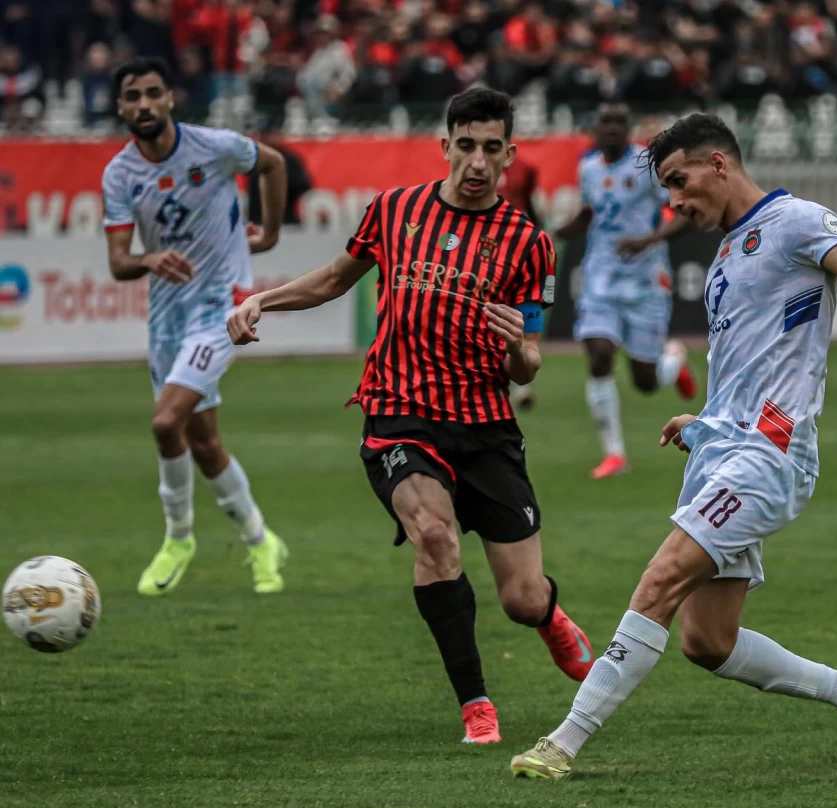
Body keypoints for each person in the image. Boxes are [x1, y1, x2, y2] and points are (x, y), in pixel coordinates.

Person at [510, 113, 837, 780]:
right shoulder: (729, 253)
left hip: (771, 454)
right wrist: (702, 419)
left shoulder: (796, 222)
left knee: (659, 580)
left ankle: (561, 744)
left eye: (679, 181)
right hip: (722, 448)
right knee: (708, 642)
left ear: (719, 165)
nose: (673, 201)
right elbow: (752, 363)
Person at [227, 88, 595, 745]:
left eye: (491, 149)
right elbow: (338, 277)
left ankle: (548, 616)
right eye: (465, 145)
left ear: (509, 155)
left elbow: (530, 362)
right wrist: (265, 299)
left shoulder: (529, 245)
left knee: (521, 597)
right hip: (399, 414)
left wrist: (518, 345)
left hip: (485, 427)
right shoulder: (394, 211)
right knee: (433, 534)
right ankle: (476, 705)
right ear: (445, 145)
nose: (476, 161)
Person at [102, 57, 289, 597]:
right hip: (167, 320)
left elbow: (272, 164)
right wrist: (149, 260)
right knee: (204, 443)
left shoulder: (215, 146)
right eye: (132, 96)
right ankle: (261, 542)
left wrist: (270, 234)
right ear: (120, 107)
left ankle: (178, 538)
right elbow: (118, 261)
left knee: (166, 425)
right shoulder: (119, 174)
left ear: (169, 99)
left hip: (220, 311)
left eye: (152, 93)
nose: (143, 105)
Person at [555, 101, 697, 480]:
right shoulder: (587, 167)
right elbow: (591, 213)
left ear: (628, 127)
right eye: (607, 123)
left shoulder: (646, 166)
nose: (614, 129)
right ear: (596, 129)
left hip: (645, 281)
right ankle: (615, 455)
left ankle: (674, 360)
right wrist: (567, 229)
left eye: (620, 122)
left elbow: (685, 210)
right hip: (600, 276)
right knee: (599, 354)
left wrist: (648, 239)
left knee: (645, 381)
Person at [498, 152, 544, 411]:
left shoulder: (524, 167)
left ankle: (521, 385)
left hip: (517, 251)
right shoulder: (474, 165)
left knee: (518, 316)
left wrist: (540, 237)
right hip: (482, 251)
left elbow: (529, 205)